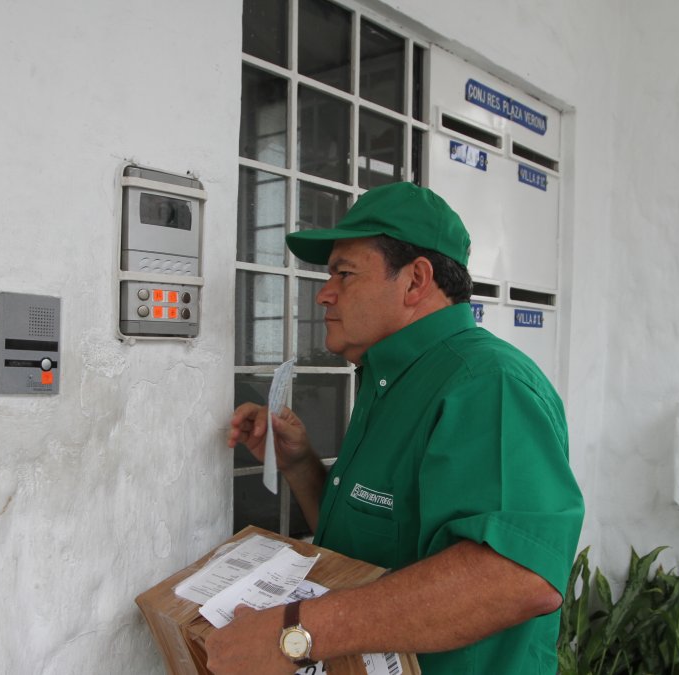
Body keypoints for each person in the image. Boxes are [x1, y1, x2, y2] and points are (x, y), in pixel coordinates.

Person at [206, 182, 584, 674]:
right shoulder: (391, 379)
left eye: (344, 273)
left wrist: (293, 635)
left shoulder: (486, 384)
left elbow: (517, 576)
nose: (324, 294)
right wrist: (299, 464)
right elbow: (367, 547)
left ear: (415, 281)